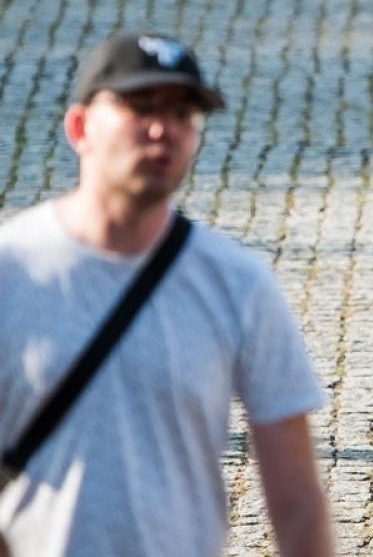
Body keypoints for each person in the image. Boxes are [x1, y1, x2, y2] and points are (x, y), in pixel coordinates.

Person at [0, 32, 332, 557]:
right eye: (143, 107)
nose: (164, 130)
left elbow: (298, 504)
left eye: (184, 115)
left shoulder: (239, 286)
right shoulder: (11, 271)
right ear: (79, 127)